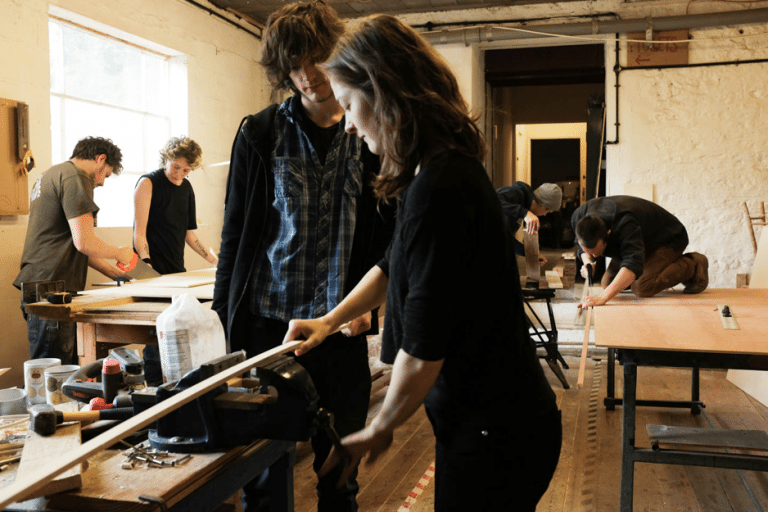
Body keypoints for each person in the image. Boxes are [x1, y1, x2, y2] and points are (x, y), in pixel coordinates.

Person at [282, 14, 561, 512]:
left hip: (497, 435)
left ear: (385, 93)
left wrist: (377, 428)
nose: (347, 122)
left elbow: (424, 348)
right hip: (495, 425)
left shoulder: (442, 186)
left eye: (349, 104)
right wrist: (329, 321)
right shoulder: (435, 171)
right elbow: (392, 267)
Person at [211, 2, 394, 511]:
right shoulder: (260, 132)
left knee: (340, 473)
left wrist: (370, 311)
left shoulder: (369, 130)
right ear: (281, 67)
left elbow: (391, 239)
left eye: (317, 58)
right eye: (294, 64)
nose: (308, 75)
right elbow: (236, 233)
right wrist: (226, 318)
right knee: (264, 474)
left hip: (339, 328)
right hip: (270, 327)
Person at [14, 137, 134, 364]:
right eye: (106, 175)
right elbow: (85, 242)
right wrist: (120, 253)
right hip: (51, 287)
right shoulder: (77, 177)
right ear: (100, 159)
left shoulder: (52, 174)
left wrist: (116, 275)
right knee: (55, 372)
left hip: (39, 283)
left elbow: (76, 245)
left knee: (55, 367)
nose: (102, 183)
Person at [133, 136, 218, 385]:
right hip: (151, 272)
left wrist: (213, 260)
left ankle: (178, 386)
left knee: (176, 333)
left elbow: (189, 234)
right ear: (166, 159)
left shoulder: (187, 188)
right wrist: (146, 264)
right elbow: (140, 232)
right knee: (154, 335)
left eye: (186, 170)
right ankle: (154, 390)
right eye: (176, 167)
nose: (180, 174)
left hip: (176, 272)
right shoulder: (148, 183)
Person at [572, 195, 708, 307]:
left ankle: (693, 264)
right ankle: (653, 266)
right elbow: (581, 248)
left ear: (608, 233)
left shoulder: (625, 223)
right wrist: (588, 262)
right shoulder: (579, 217)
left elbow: (632, 263)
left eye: (598, 251)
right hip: (640, 240)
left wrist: (602, 298)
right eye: (590, 251)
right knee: (607, 283)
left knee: (642, 287)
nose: (595, 255)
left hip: (667, 238)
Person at [497, 181, 563, 263]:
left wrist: (531, 254)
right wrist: (524, 213)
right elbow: (492, 200)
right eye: (548, 211)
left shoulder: (523, 208)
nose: (545, 215)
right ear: (543, 205)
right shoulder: (515, 193)